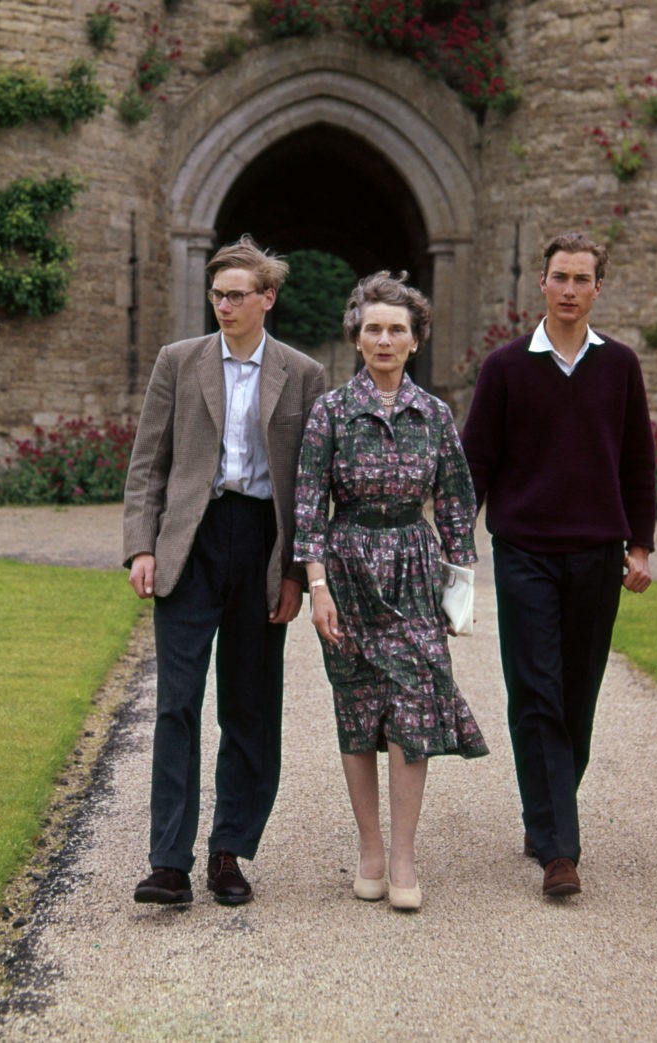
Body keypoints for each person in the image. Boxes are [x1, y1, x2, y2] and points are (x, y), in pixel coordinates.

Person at [122, 235, 328, 908]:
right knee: (177, 703)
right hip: (191, 542)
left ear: (267, 299)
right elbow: (148, 462)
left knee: (249, 705)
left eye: (237, 294)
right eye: (217, 294)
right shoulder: (179, 362)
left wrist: (297, 572)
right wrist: (142, 545)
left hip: (263, 545)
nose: (224, 305)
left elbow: (310, 485)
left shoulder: (303, 374)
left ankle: (229, 850)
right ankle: (169, 862)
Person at [461, 230, 655, 900]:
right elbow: (475, 463)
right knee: (537, 691)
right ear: (540, 283)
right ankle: (559, 850)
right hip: (524, 552)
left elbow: (637, 461)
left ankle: (544, 812)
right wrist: (457, 542)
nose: (569, 289)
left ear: (599, 287)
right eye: (559, 277)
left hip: (598, 553)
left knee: (577, 698)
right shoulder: (506, 367)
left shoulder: (620, 366)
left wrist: (641, 546)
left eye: (582, 278)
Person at [295, 272, 486, 913]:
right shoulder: (329, 411)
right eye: (373, 327)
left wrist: (460, 586)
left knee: (415, 705)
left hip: (412, 564)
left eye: (396, 329)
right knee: (356, 708)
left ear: (414, 339)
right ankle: (370, 849)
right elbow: (307, 506)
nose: (384, 339)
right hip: (346, 568)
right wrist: (316, 587)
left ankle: (403, 854)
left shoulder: (433, 415)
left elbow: (457, 503)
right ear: (357, 335)